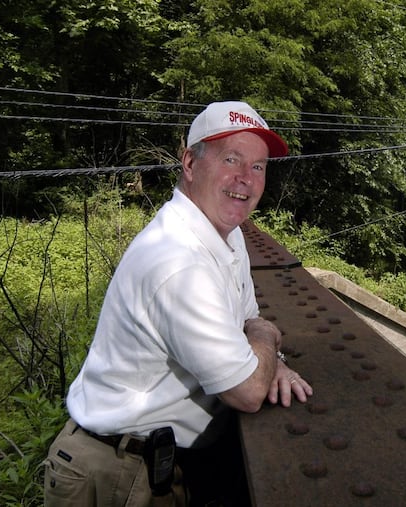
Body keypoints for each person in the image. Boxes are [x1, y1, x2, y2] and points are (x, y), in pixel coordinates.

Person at [43, 101, 313, 506]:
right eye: (231, 159)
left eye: (258, 166)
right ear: (190, 163)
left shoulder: (225, 231)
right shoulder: (178, 259)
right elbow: (248, 390)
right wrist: (266, 338)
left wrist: (270, 355)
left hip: (154, 462)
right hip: (112, 472)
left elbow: (245, 317)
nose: (246, 179)